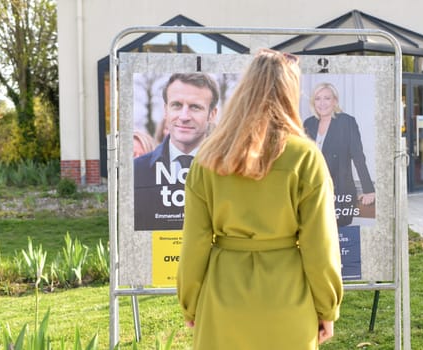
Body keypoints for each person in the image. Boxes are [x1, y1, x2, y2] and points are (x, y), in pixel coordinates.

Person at [177, 49, 343, 350]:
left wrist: (190, 302)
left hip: (222, 298)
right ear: (290, 92)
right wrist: (327, 308)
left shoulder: (208, 157)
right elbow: (320, 245)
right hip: (288, 297)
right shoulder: (305, 156)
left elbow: (195, 242)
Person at [133, 73, 219, 230]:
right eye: (177, 105)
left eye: (195, 107)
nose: (184, 116)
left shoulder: (230, 169)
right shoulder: (136, 171)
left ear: (212, 115)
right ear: (166, 111)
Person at [303, 82, 375, 226]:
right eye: (318, 98)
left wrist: (368, 190)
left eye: (327, 98)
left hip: (341, 192)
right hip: (313, 193)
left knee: (340, 236)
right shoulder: (308, 124)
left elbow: (358, 158)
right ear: (313, 102)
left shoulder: (346, 122)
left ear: (335, 101)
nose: (322, 103)